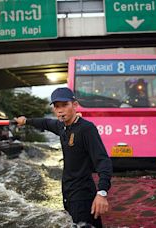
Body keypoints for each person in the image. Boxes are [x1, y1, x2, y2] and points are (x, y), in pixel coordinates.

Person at [14, 87, 112, 227]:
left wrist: (102, 192)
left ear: (75, 105)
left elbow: (103, 161)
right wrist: (26, 121)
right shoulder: (62, 126)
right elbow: (45, 123)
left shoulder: (86, 129)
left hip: (83, 195)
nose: (60, 110)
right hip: (68, 192)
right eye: (57, 106)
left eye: (65, 105)